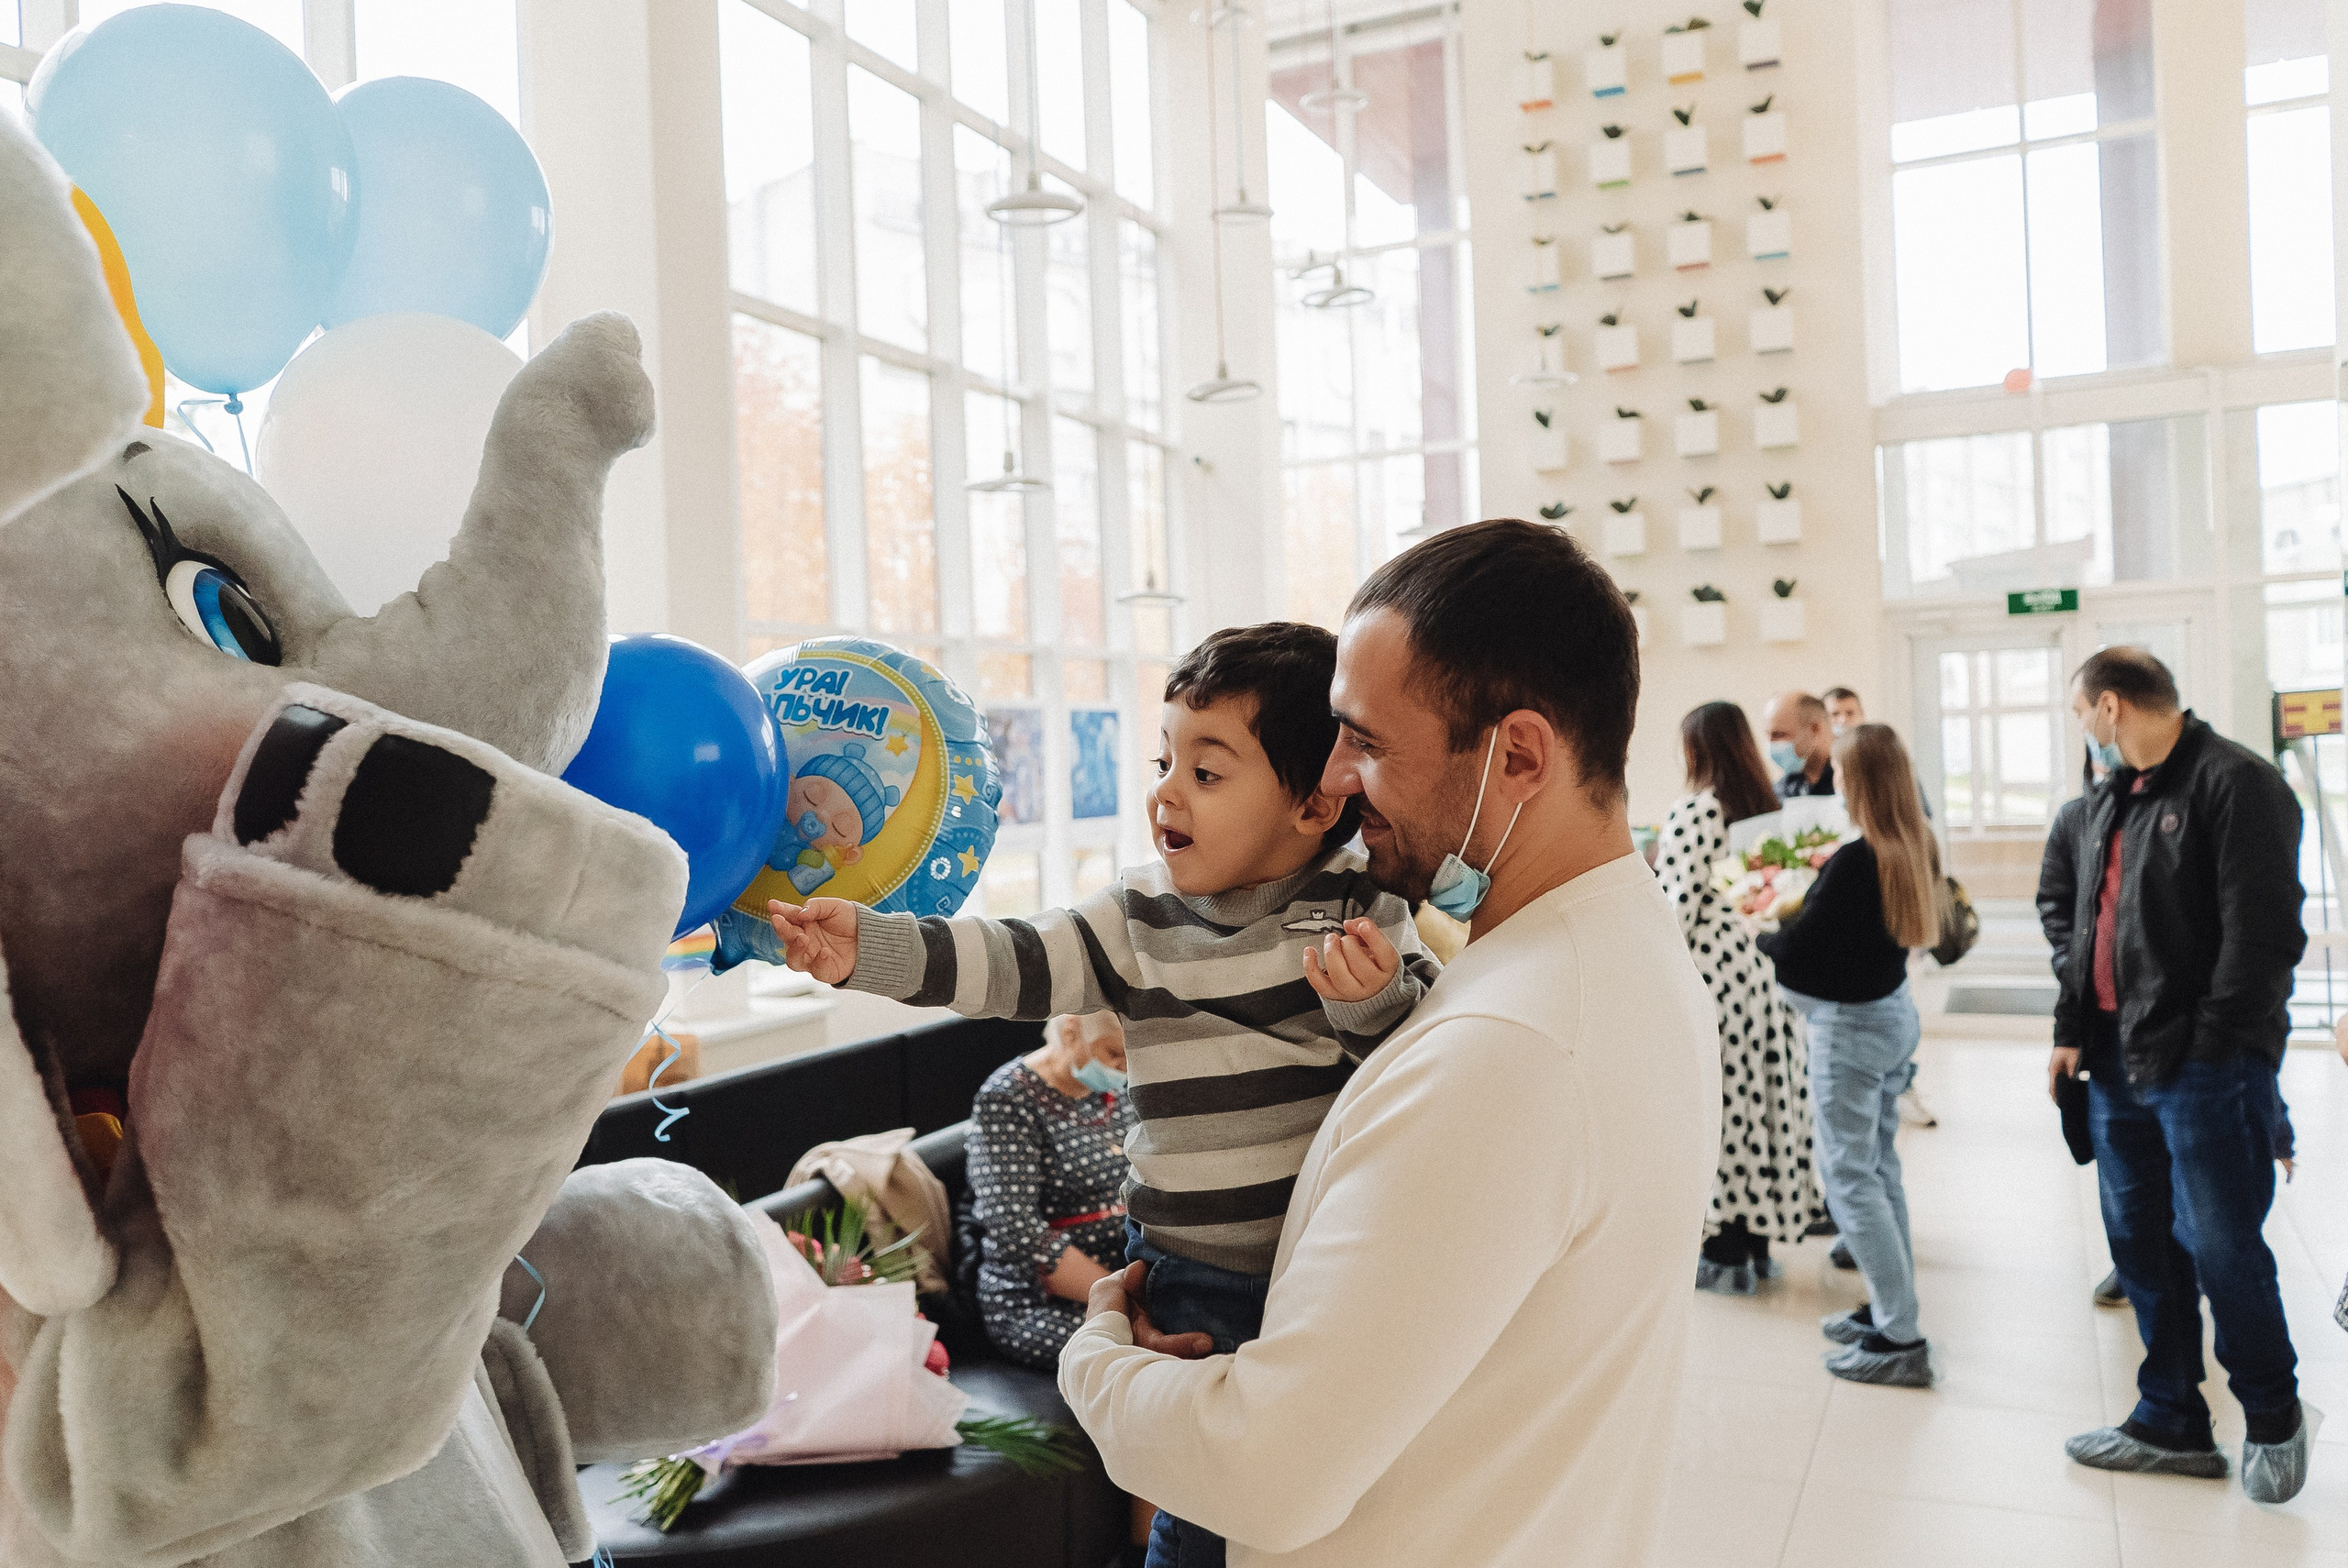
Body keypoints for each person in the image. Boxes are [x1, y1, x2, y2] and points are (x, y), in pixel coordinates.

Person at [1058, 519, 1720, 1568]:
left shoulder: (1510, 1047)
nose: (1330, 779)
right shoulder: (1619, 957)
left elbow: (1262, 1472)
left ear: (1517, 755)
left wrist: (1095, 1358)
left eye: (1364, 739)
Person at [759, 621, 1440, 1568]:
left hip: (1323, 1269)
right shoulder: (1136, 916)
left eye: (1207, 772)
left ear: (1312, 807)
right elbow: (1003, 960)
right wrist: (866, 947)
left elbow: (1426, 1077)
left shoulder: (1361, 910)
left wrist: (1371, 1010)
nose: (1165, 791)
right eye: (1165, 761)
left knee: (1325, 1502)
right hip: (1188, 1271)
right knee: (1198, 1513)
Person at [2051, 646, 2316, 1503]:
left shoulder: (2237, 785)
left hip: (2202, 1068)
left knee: (2222, 1246)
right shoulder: (2107, 801)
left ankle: (2273, 1412)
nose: (2082, 727)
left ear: (2111, 706)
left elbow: (2265, 938)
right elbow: (2091, 929)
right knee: (2140, 1247)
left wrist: (2212, 1048)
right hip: (2115, 1064)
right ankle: (2169, 1417)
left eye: (2080, 710)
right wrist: (2069, 1031)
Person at [1756, 723, 1938, 1387]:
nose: (1829, 777)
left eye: (1837, 768)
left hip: (1852, 1031)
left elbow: (1800, 951)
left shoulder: (1856, 861)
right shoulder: (1909, 844)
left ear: (1857, 780)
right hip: (1890, 1016)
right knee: (1879, 1169)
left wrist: (1763, 929)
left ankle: (1901, 1335)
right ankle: (1895, 1308)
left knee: (1849, 1180)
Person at [1656, 701, 1827, 1294]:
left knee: (1716, 1108)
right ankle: (1754, 1243)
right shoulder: (1768, 811)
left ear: (1698, 751)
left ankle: (1723, 1245)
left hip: (1712, 982)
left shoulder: (1694, 812)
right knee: (1759, 1102)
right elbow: (1777, 907)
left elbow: (1675, 907)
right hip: (1764, 979)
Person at [967, 1011, 1142, 1367]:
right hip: (1040, 1299)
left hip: (1128, 1279)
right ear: (1072, 1032)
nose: (1125, 1068)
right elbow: (1016, 1230)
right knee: (1140, 1355)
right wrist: (1126, 1304)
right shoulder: (1008, 1099)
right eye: (1114, 1053)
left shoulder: (1116, 1088)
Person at [2038, 748, 2128, 1309]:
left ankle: (2179, 1263)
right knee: (2117, 1158)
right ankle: (2129, 1260)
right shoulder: (2076, 818)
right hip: (2101, 1022)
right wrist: (2078, 965)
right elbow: (2055, 901)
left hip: (2173, 1025)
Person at [1763, 690, 1836, 798]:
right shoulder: (1783, 789)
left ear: (1815, 729)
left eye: (1779, 735)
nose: (1771, 744)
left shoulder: (1850, 780)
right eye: (1768, 735)